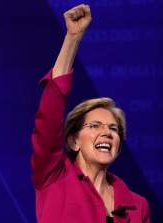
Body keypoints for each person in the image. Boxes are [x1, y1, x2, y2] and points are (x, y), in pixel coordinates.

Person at [31, 4, 151, 223]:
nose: (106, 132)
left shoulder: (138, 206)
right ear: (73, 141)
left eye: (113, 129)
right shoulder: (53, 178)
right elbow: (49, 113)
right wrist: (73, 38)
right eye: (95, 125)